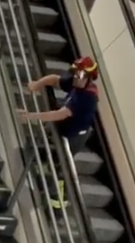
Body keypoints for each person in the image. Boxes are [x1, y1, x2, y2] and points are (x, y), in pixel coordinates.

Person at [19, 56, 100, 209]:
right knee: (43, 149)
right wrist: (37, 84)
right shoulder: (77, 83)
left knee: (60, 166)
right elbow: (55, 80)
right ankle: (38, 170)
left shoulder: (87, 97)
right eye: (75, 73)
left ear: (89, 77)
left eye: (80, 75)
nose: (76, 77)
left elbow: (60, 114)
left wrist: (30, 116)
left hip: (74, 135)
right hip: (63, 126)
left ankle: (57, 202)